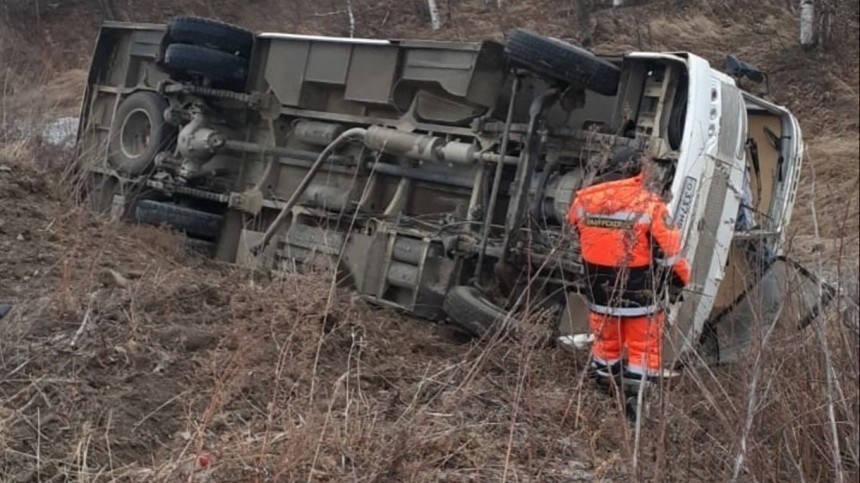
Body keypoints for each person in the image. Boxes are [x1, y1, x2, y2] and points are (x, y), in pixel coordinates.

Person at [568, 147, 691, 394]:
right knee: (643, 349)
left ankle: (603, 392)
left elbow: (578, 231)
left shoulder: (583, 201)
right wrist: (680, 281)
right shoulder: (650, 205)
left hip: (598, 288)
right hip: (639, 290)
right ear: (639, 171)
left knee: (606, 344)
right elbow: (670, 252)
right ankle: (636, 402)